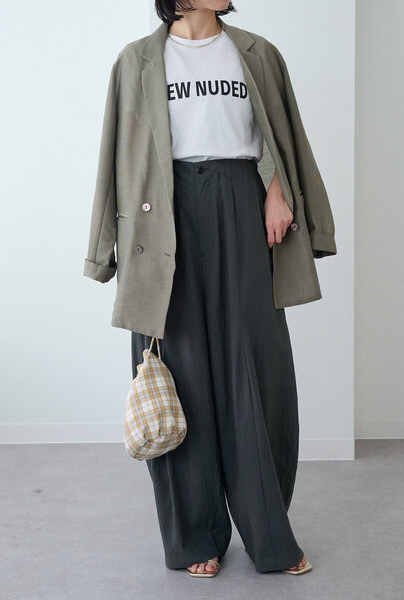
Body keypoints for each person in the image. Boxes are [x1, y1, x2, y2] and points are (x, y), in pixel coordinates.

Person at [84, 0, 337, 578]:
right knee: (180, 372)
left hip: (241, 204)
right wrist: (102, 251)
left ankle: (268, 533)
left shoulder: (257, 53)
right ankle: (196, 536)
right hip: (161, 218)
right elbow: (113, 159)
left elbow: (285, 137)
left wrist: (278, 192)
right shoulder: (136, 61)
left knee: (256, 368)